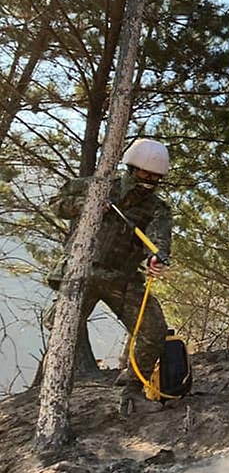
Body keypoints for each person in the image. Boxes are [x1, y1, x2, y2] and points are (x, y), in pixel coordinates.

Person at [47, 138, 173, 415]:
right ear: (131, 168)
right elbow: (56, 203)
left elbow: (159, 238)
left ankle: (131, 394)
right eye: (145, 173)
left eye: (156, 176)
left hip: (123, 278)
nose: (150, 179)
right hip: (81, 272)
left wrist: (156, 257)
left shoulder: (157, 208)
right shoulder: (98, 186)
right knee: (63, 331)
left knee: (153, 330)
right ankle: (56, 401)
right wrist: (87, 204)